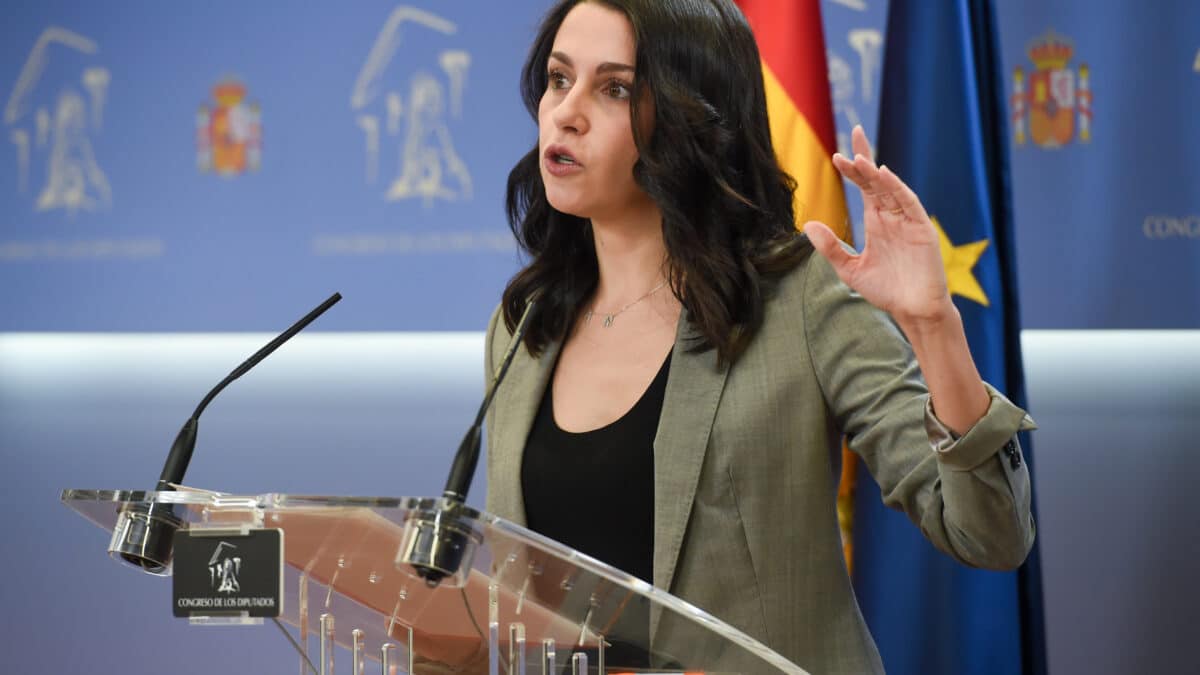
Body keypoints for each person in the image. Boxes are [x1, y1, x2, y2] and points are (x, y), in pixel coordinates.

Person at [483, 0, 1036, 672]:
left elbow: (989, 532)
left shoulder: (798, 298)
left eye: (616, 88)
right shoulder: (525, 325)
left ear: (690, 115)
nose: (566, 112)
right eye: (558, 78)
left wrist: (932, 325)